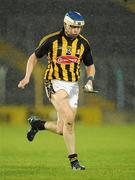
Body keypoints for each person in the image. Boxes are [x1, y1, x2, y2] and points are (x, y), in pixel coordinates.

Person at [18, 11, 95, 170]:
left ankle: (38, 124)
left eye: (78, 28)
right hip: (54, 82)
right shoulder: (51, 40)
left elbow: (90, 66)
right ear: (65, 24)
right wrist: (27, 77)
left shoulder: (83, 44)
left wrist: (90, 81)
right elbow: (33, 57)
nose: (75, 30)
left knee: (62, 129)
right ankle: (74, 163)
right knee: (69, 119)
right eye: (72, 27)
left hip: (73, 86)